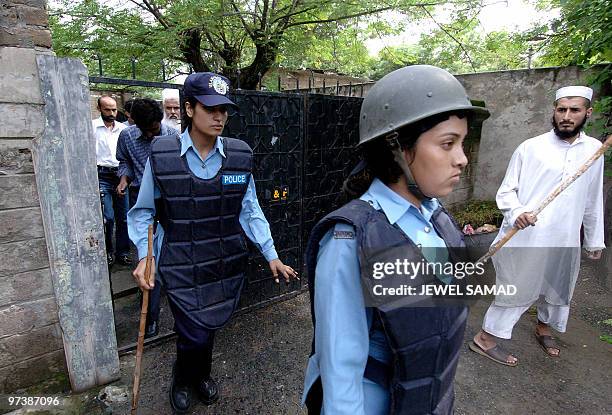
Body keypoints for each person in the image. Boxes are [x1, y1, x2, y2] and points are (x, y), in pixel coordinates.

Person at [302, 65, 490, 415]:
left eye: (462, 144)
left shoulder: (435, 217)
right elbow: (341, 373)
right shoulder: (348, 241)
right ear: (397, 149)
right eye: (448, 144)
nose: (462, 159)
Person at [128, 72, 297, 414]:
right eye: (211, 108)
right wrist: (146, 256)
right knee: (194, 330)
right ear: (189, 109)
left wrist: (271, 254)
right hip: (179, 261)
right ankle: (181, 377)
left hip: (222, 260)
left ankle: (200, 375)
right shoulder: (163, 157)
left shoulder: (237, 157)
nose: (220, 116)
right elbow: (143, 212)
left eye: (225, 110)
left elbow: (250, 210)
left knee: (209, 323)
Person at [470, 86, 605, 366]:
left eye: (574, 110)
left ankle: (544, 327)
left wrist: (594, 239)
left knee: (558, 286)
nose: (566, 116)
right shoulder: (531, 148)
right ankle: (486, 338)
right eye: (561, 110)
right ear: (554, 111)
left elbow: (593, 199)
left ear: (587, 113)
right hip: (529, 236)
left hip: (566, 236)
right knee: (519, 286)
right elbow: (506, 192)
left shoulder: (594, 151)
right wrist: (517, 211)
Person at [116, 97, 178, 338]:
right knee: (148, 260)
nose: (153, 135)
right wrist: (123, 179)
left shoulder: (173, 135)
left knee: (172, 261)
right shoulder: (127, 137)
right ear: (135, 123)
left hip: (169, 204)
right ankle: (151, 319)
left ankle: (180, 317)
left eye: (155, 129)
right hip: (143, 206)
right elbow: (125, 163)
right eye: (147, 130)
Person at [92, 95, 130, 266]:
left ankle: (123, 253)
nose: (112, 113)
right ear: (99, 108)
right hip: (101, 175)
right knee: (108, 217)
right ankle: (107, 252)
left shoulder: (123, 129)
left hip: (121, 174)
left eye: (114, 109)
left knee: (124, 217)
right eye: (107, 109)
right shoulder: (91, 127)